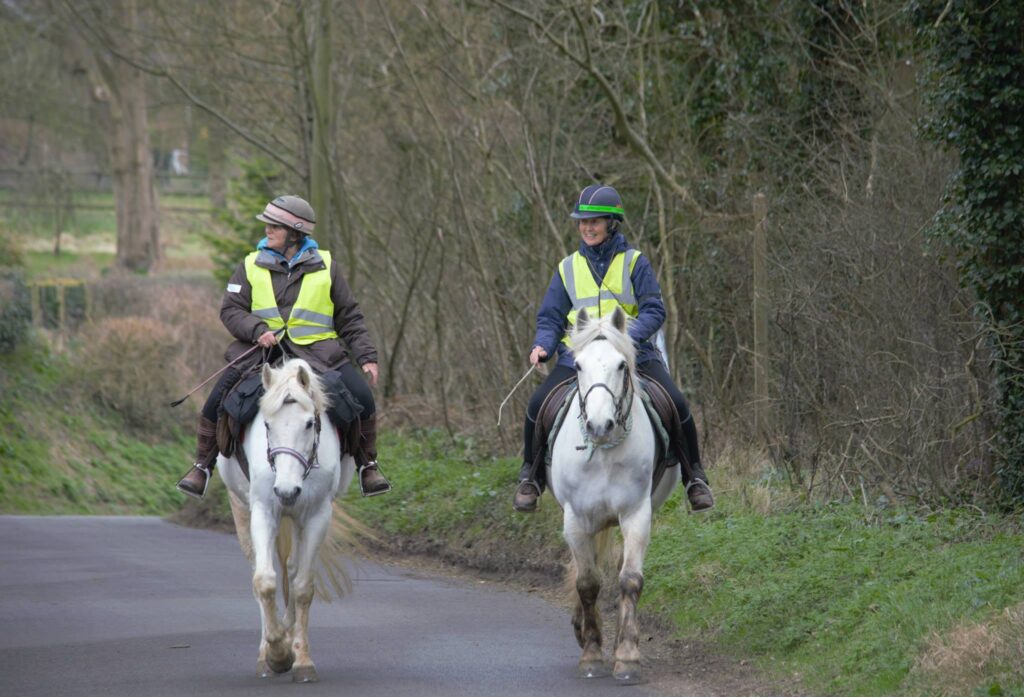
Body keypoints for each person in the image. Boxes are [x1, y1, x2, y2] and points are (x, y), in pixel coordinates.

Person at [513, 184, 714, 513]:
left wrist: (626, 338)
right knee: (538, 404)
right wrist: (542, 345)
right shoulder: (567, 268)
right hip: (579, 358)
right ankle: (531, 477)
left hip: (633, 355)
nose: (587, 228)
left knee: (676, 403)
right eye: (582, 222)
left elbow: (654, 309)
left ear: (612, 223)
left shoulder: (636, 263)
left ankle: (695, 478)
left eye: (596, 221)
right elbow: (550, 317)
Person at [176, 195, 391, 499]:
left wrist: (367, 356)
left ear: (295, 231)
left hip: (320, 356)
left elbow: (349, 316)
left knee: (362, 399)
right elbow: (231, 310)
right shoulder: (250, 265)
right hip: (262, 354)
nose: (267, 230)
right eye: (267, 225)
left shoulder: (327, 266)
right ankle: (202, 466)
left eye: (274, 226)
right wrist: (257, 330)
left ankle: (368, 466)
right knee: (216, 401)